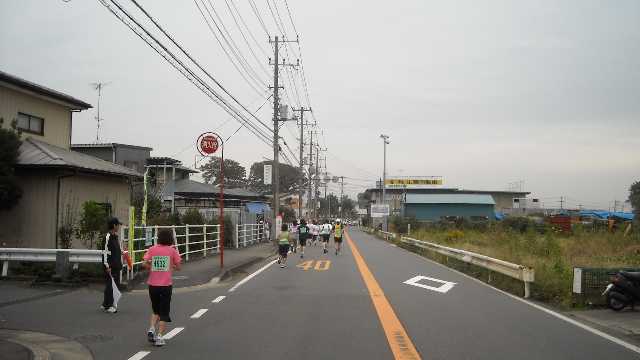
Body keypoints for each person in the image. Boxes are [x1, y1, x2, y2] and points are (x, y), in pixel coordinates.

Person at [143, 228, 182, 347]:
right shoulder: (172, 251)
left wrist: (152, 267)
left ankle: (151, 329)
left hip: (152, 285)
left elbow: (144, 263)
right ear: (170, 239)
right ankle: (159, 336)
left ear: (158, 238)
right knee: (164, 312)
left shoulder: (152, 249)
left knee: (155, 310)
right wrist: (172, 267)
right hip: (165, 285)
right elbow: (179, 266)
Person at [101, 217, 123, 314]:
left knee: (112, 285)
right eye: (118, 224)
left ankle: (106, 303)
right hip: (110, 266)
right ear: (114, 225)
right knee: (111, 286)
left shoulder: (115, 237)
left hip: (116, 264)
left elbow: (116, 249)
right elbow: (105, 252)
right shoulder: (107, 237)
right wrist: (107, 266)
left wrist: (122, 252)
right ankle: (108, 306)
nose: (119, 226)